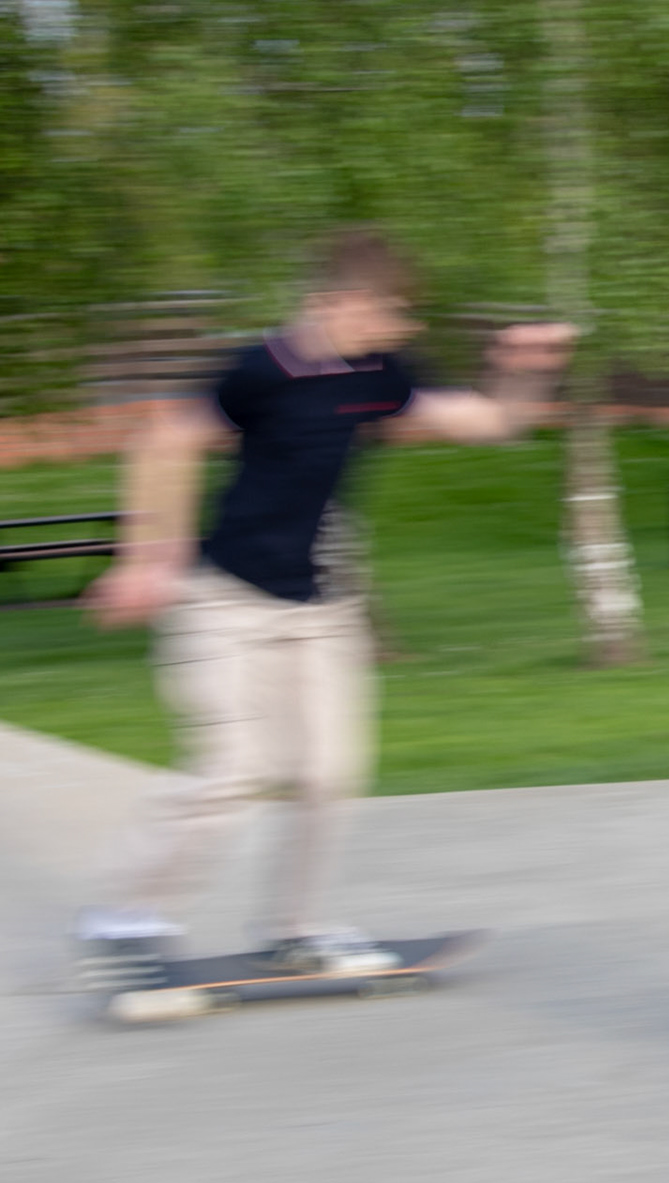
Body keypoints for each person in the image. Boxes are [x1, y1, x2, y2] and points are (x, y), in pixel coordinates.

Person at [75, 227, 574, 987]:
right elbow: (164, 443)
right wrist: (146, 560)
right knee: (233, 768)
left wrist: (523, 373)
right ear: (336, 300)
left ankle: (294, 930)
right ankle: (123, 920)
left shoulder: (380, 372)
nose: (398, 329)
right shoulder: (260, 370)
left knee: (329, 774)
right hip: (227, 603)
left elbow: (493, 422)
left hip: (322, 611)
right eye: (389, 312)